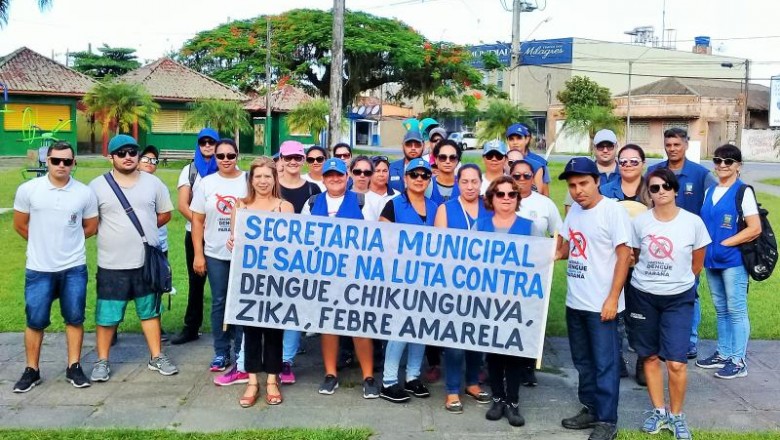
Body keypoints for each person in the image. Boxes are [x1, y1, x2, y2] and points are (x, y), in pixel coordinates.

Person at [627, 168, 711, 440]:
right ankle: (659, 411)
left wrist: (677, 282)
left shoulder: (693, 222)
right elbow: (635, 256)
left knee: (676, 363)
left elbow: (697, 263)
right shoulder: (640, 223)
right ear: (648, 194)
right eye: (654, 188)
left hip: (678, 298)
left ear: (675, 189)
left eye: (666, 186)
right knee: (649, 356)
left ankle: (676, 416)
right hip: (643, 295)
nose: (661, 191)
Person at [88, 134, 178, 382]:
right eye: (121, 153)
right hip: (111, 263)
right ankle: (102, 360)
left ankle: (156, 356)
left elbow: (165, 214)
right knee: (106, 315)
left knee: (150, 311)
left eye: (132, 152)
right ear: (111, 157)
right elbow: (91, 222)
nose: (128, 157)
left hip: (145, 261)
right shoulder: (97, 186)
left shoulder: (153, 184)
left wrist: (144, 232)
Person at [555, 157, 632, 440]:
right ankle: (590, 408)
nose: (578, 191)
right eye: (573, 185)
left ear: (597, 181)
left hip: (602, 305)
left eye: (584, 183)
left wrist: (613, 299)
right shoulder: (575, 210)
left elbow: (625, 256)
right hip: (576, 302)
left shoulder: (613, 212)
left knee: (605, 363)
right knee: (583, 361)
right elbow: (565, 249)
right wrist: (543, 254)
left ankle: (607, 420)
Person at [11, 141, 98, 392]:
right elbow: (20, 224)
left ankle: (74, 366)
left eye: (67, 161)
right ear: (46, 161)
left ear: (74, 163)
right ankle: (32, 369)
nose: (61, 165)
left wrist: (67, 243)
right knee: (35, 320)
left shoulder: (84, 193)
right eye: (56, 161)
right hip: (39, 268)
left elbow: (91, 226)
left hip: (73, 267)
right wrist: (42, 242)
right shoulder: (29, 190)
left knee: (74, 318)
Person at [299, 158, 379, 399]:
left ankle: (368, 376)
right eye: (329, 175)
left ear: (347, 177)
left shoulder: (365, 202)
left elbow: (378, 237)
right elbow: (302, 236)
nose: (334, 179)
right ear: (323, 179)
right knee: (328, 326)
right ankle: (331, 373)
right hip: (324, 274)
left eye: (339, 175)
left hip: (356, 275)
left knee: (359, 325)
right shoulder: (312, 203)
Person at [227, 157, 293, 407]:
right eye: (258, 177)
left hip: (276, 279)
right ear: (251, 180)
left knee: (275, 332)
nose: (263, 181)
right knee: (251, 331)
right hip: (249, 279)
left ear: (274, 179)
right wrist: (231, 243)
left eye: (268, 176)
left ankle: (272, 380)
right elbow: (235, 239)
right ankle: (252, 381)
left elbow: (291, 244)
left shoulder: (284, 207)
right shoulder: (241, 205)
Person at [647, 128, 717, 361]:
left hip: (688, 247)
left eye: (677, 144)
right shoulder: (654, 172)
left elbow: (716, 202)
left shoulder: (700, 174)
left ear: (686, 144)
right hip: (659, 245)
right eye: (668, 144)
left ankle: (689, 341)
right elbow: (645, 203)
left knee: (690, 293)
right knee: (656, 293)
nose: (672, 148)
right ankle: (658, 341)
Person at [696, 144, 761, 380]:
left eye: (728, 161)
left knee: (736, 310)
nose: (722, 165)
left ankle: (738, 360)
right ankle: (723, 354)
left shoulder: (743, 192)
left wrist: (725, 244)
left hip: (732, 261)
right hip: (711, 261)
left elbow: (754, 228)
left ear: (738, 166)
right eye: (718, 160)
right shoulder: (710, 191)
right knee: (721, 310)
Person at [432, 163, 491, 413]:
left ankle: (472, 383)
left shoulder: (489, 208)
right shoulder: (446, 209)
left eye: (474, 181)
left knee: (477, 338)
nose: (469, 186)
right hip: (453, 285)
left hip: (483, 284)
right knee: (454, 341)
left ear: (480, 183)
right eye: (464, 181)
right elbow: (437, 247)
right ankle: (452, 390)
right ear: (457, 182)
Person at [477, 176, 534, 427]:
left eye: (512, 194)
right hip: (488, 300)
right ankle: (497, 398)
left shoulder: (529, 226)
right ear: (491, 198)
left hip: (516, 301)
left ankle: (513, 401)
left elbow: (537, 264)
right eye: (500, 194)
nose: (507, 199)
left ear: (518, 199)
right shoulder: (479, 226)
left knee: (513, 352)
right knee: (493, 353)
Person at [379, 158, 437, 403]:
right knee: (400, 329)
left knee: (420, 329)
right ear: (405, 178)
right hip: (400, 277)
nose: (419, 179)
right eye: (414, 175)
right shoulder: (393, 205)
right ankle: (389, 381)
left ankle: (413, 376)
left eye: (424, 175)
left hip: (428, 278)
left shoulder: (435, 208)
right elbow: (381, 240)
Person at [190, 139, 246, 373]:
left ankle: (243, 351)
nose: (225, 160)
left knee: (242, 303)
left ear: (237, 156)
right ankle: (221, 351)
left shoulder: (247, 180)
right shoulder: (206, 183)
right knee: (220, 302)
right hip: (215, 252)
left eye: (230, 156)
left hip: (244, 255)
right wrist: (198, 254)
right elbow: (197, 220)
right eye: (220, 156)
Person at [600, 144, 652, 383]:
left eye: (634, 161)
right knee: (615, 312)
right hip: (614, 261)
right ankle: (616, 359)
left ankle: (644, 360)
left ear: (643, 163)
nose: (628, 165)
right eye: (624, 161)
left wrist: (640, 253)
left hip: (647, 263)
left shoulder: (655, 188)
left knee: (641, 314)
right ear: (617, 164)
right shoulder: (606, 190)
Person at [511, 159, 563, 386]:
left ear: (533, 178)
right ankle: (506, 363)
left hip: (536, 272)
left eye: (526, 175)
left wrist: (555, 254)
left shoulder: (545, 204)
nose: (522, 180)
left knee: (530, 319)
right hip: (508, 271)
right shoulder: (503, 200)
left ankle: (527, 365)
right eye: (517, 175)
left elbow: (558, 233)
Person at [276, 140, 321, 385]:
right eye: (288, 157)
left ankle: (286, 360)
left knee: (293, 309)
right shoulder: (271, 186)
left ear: (303, 160)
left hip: (301, 259)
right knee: (271, 307)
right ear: (281, 159)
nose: (293, 162)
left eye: (297, 158)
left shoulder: (314, 190)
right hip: (273, 258)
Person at [171, 128, 220, 345]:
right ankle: (191, 326)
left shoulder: (228, 168)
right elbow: (183, 204)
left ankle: (229, 328)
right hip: (196, 234)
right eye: (203, 142)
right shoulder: (190, 171)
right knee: (196, 281)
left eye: (212, 142)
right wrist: (201, 223)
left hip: (222, 234)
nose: (208, 146)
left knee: (225, 283)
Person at [137, 145, 170, 343]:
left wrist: (146, 229)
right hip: (130, 247)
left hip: (157, 245)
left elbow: (165, 214)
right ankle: (112, 329)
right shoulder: (127, 184)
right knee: (123, 287)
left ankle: (156, 327)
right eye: (146, 159)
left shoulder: (159, 185)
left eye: (154, 160)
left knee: (155, 287)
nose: (150, 163)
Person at [564, 129, 621, 214]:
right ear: (594, 148)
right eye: (600, 146)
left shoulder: (627, 172)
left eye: (609, 146)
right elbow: (570, 207)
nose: (605, 150)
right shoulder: (583, 171)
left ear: (616, 146)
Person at [505, 123, 550, 195]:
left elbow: (544, 194)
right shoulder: (500, 161)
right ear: (507, 141)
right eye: (511, 139)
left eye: (519, 138)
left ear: (527, 139)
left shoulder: (537, 165)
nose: (515, 142)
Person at [364, 155, 398, 222]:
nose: (381, 174)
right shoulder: (360, 195)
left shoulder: (397, 196)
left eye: (385, 171)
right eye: (377, 171)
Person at [427, 139, 461, 205]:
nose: (447, 161)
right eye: (442, 157)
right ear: (436, 160)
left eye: (452, 157)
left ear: (457, 161)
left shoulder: (465, 185)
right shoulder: (426, 185)